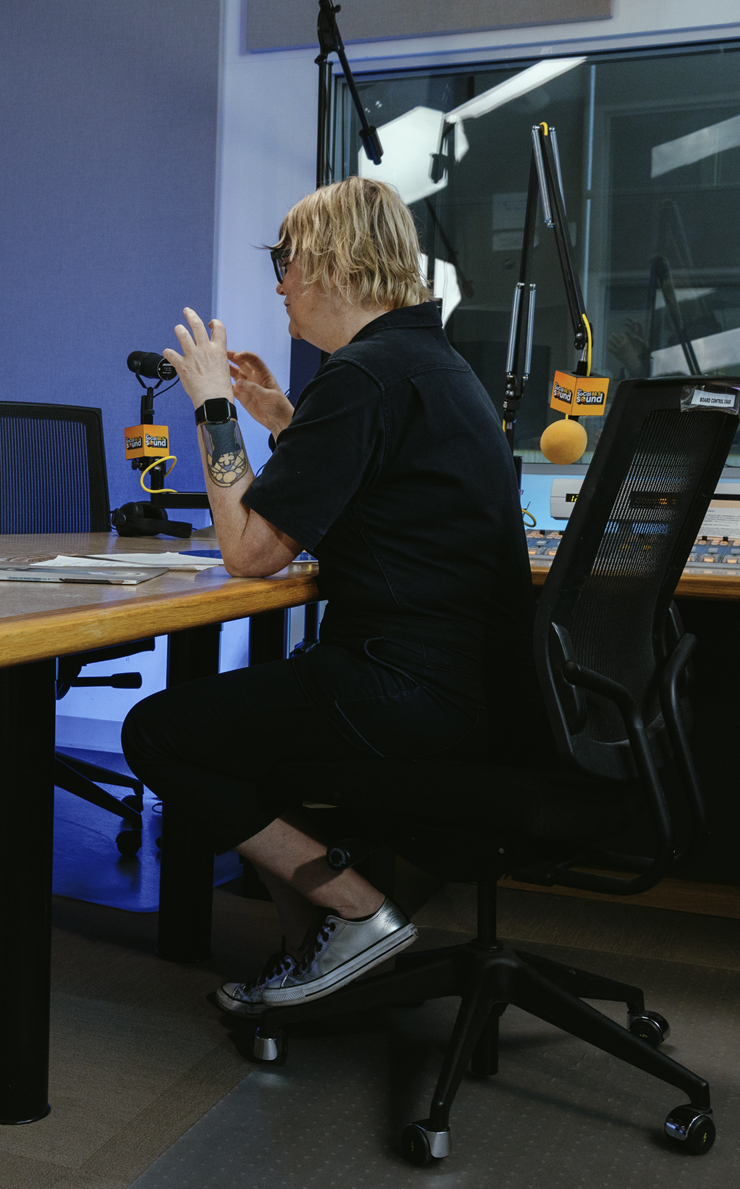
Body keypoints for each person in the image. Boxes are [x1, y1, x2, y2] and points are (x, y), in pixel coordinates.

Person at [121, 177, 539, 1015]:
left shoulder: (361, 377)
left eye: (286, 263)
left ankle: (355, 911)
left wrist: (213, 408)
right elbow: (379, 478)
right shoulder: (428, 364)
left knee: (160, 732)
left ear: (331, 262)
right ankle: (309, 951)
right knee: (245, 736)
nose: (280, 284)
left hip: (399, 685)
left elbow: (249, 553)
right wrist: (284, 419)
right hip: (465, 685)